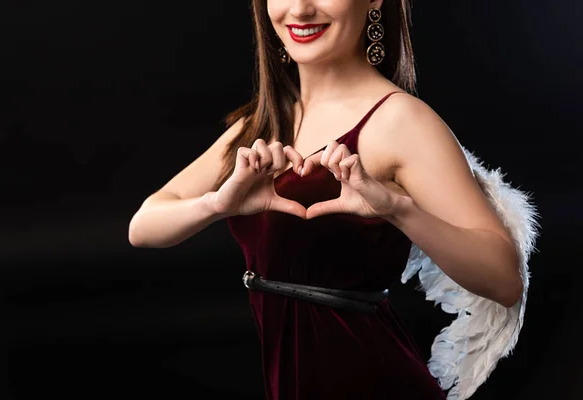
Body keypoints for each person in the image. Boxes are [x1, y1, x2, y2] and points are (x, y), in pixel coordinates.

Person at [128, 1, 540, 399]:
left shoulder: (401, 122)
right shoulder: (263, 122)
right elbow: (142, 227)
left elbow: (504, 280)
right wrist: (217, 204)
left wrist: (398, 209)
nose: (301, 8)